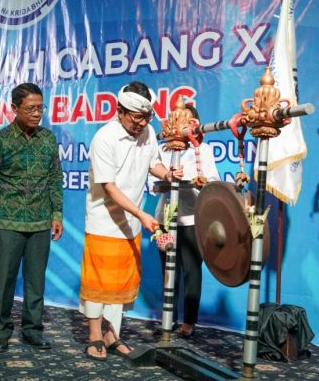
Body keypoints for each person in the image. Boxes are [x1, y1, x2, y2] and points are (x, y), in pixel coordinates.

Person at [80, 81, 182, 361]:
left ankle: (113, 335)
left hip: (133, 222)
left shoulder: (147, 132)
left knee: (122, 282)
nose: (141, 123)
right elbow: (110, 187)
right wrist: (140, 213)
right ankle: (94, 335)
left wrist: (168, 175)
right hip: (104, 221)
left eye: (146, 117)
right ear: (119, 111)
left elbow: (153, 164)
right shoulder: (104, 138)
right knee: (99, 281)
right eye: (136, 117)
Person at [0, 83, 63, 353]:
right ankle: (0, 331)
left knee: (35, 281)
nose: (37, 113)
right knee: (4, 281)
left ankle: (32, 330)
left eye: (40, 107)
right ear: (14, 108)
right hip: (7, 222)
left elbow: (54, 179)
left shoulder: (48, 139)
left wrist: (57, 214)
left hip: (41, 222)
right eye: (30, 108)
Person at [154, 104, 220, 338]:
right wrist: (166, 179)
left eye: (187, 121)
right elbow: (153, 184)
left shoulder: (204, 150)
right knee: (168, 271)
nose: (181, 125)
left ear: (195, 124)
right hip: (165, 218)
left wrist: (197, 181)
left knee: (192, 271)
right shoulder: (162, 149)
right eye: (176, 119)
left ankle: (189, 322)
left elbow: (212, 182)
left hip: (193, 220)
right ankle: (168, 317)